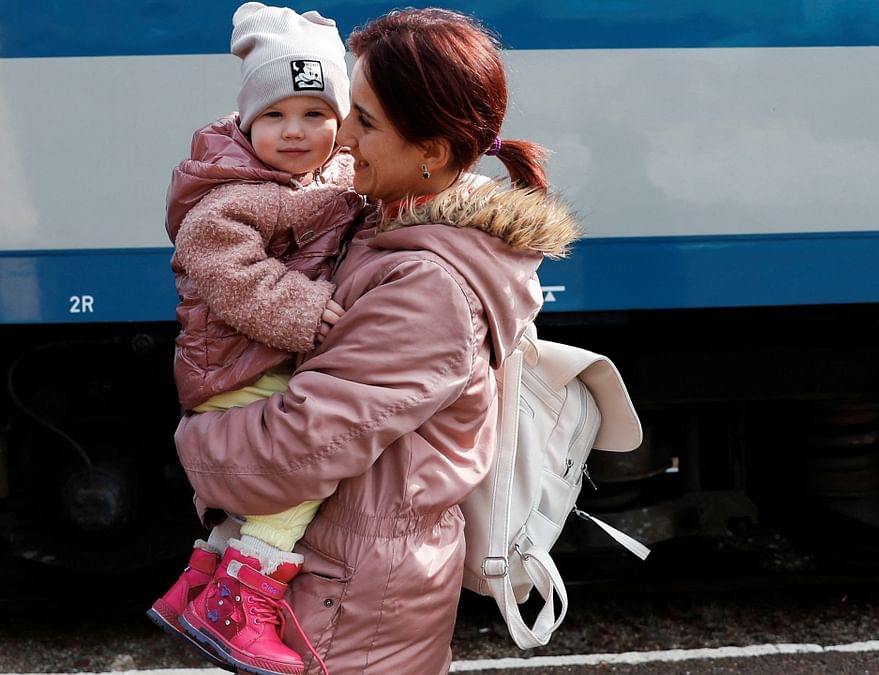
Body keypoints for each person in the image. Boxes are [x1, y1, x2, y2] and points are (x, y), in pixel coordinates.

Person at [170, 7, 580, 673]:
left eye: (363, 120)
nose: (341, 138)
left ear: (432, 154)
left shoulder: (427, 284)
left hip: (354, 614)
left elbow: (295, 450)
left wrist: (195, 439)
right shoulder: (375, 221)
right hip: (335, 588)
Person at [146, 3, 360, 673]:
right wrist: (303, 309)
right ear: (246, 120)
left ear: (341, 121)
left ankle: (200, 582)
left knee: (271, 480)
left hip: (252, 364)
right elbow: (228, 273)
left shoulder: (315, 178)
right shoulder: (235, 193)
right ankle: (237, 602)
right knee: (305, 467)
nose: (294, 131)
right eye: (274, 115)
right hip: (234, 371)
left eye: (315, 114)